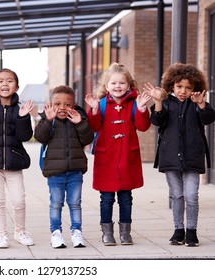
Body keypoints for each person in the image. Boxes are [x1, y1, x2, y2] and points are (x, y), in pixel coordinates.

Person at [143, 62, 215, 247]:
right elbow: (157, 121)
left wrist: (201, 104)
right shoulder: (166, 103)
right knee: (177, 195)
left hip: (192, 156)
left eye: (188, 87)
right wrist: (158, 101)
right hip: (170, 157)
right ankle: (178, 230)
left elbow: (208, 119)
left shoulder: (198, 104)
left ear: (195, 89)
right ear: (171, 86)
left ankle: (191, 232)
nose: (183, 91)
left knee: (191, 195)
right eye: (179, 86)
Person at [85, 62, 151, 246]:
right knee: (106, 198)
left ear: (129, 85)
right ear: (106, 86)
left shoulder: (134, 103)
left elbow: (143, 127)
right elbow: (95, 126)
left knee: (126, 197)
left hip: (127, 158)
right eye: (113, 83)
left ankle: (125, 232)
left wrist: (142, 109)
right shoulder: (102, 104)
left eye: (122, 83)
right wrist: (95, 110)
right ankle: (107, 233)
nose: (118, 87)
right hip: (106, 158)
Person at [0, 68, 35, 248]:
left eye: (9, 81)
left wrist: (23, 117)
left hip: (14, 160)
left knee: (19, 200)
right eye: (0, 81)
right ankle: (1, 235)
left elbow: (24, 136)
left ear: (17, 87)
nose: (5, 84)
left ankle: (20, 232)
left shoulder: (20, 109)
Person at [34, 85, 94, 249]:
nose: (62, 108)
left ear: (73, 106)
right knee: (56, 203)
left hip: (75, 171)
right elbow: (40, 136)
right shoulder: (47, 121)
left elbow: (87, 139)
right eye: (57, 104)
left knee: (75, 203)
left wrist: (80, 123)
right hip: (55, 173)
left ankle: (76, 232)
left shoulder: (78, 120)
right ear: (51, 104)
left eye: (67, 104)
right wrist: (48, 120)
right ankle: (56, 233)